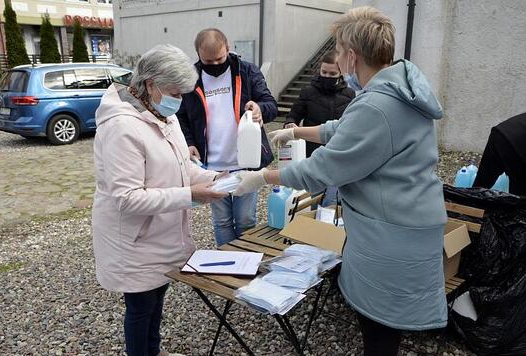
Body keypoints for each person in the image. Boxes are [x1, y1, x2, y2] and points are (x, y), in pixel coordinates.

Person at [233, 7, 448, 356]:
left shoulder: (378, 104)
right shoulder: (397, 87)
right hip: (408, 223)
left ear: (352, 55)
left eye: (338, 50)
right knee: (384, 332)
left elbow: (324, 170)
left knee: (379, 333)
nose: (336, 58)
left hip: (391, 236)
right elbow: (344, 129)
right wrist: (295, 131)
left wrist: (260, 176)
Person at [92, 44, 227, 356]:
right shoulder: (121, 127)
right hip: (134, 238)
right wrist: (190, 195)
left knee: (157, 299)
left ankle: (153, 351)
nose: (178, 101)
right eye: (174, 93)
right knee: (141, 307)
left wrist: (212, 177)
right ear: (150, 84)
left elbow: (181, 165)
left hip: (162, 232)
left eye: (182, 93)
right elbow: (127, 198)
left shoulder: (161, 114)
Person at [177, 28, 277, 246]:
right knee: (221, 221)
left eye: (219, 59)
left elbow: (271, 105)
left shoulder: (247, 71)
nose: (214, 65)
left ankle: (245, 263)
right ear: (198, 55)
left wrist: (259, 108)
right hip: (211, 167)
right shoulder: (191, 78)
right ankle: (227, 264)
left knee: (246, 219)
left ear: (228, 48)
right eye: (208, 61)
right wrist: (189, 142)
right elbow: (181, 116)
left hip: (245, 163)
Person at [284, 50, 355, 206]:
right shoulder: (308, 92)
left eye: (332, 74)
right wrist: (290, 123)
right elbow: (293, 115)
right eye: (324, 72)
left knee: (332, 204)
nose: (327, 77)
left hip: (337, 157)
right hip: (312, 157)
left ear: (341, 73)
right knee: (313, 202)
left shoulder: (350, 95)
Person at [473, 112, 526, 195]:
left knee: (480, 184)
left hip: (500, 133)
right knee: (520, 196)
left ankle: (466, 203)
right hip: (517, 141)